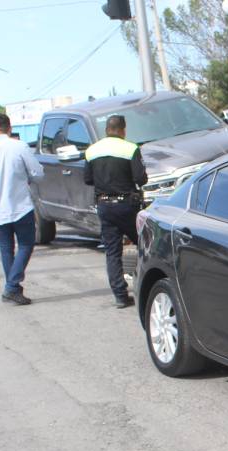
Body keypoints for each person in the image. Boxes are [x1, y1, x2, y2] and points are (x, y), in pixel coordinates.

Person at [0, 113, 45, 305]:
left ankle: (13, 288)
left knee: (6, 250)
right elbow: (38, 173)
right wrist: (27, 178)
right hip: (20, 206)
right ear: (9, 128)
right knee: (26, 245)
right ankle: (12, 287)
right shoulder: (19, 147)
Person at [83, 114, 148, 309]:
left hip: (104, 205)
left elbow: (87, 179)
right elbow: (141, 178)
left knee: (112, 252)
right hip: (127, 205)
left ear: (106, 130)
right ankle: (145, 284)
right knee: (144, 244)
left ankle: (120, 295)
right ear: (123, 130)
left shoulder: (92, 151)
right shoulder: (130, 148)